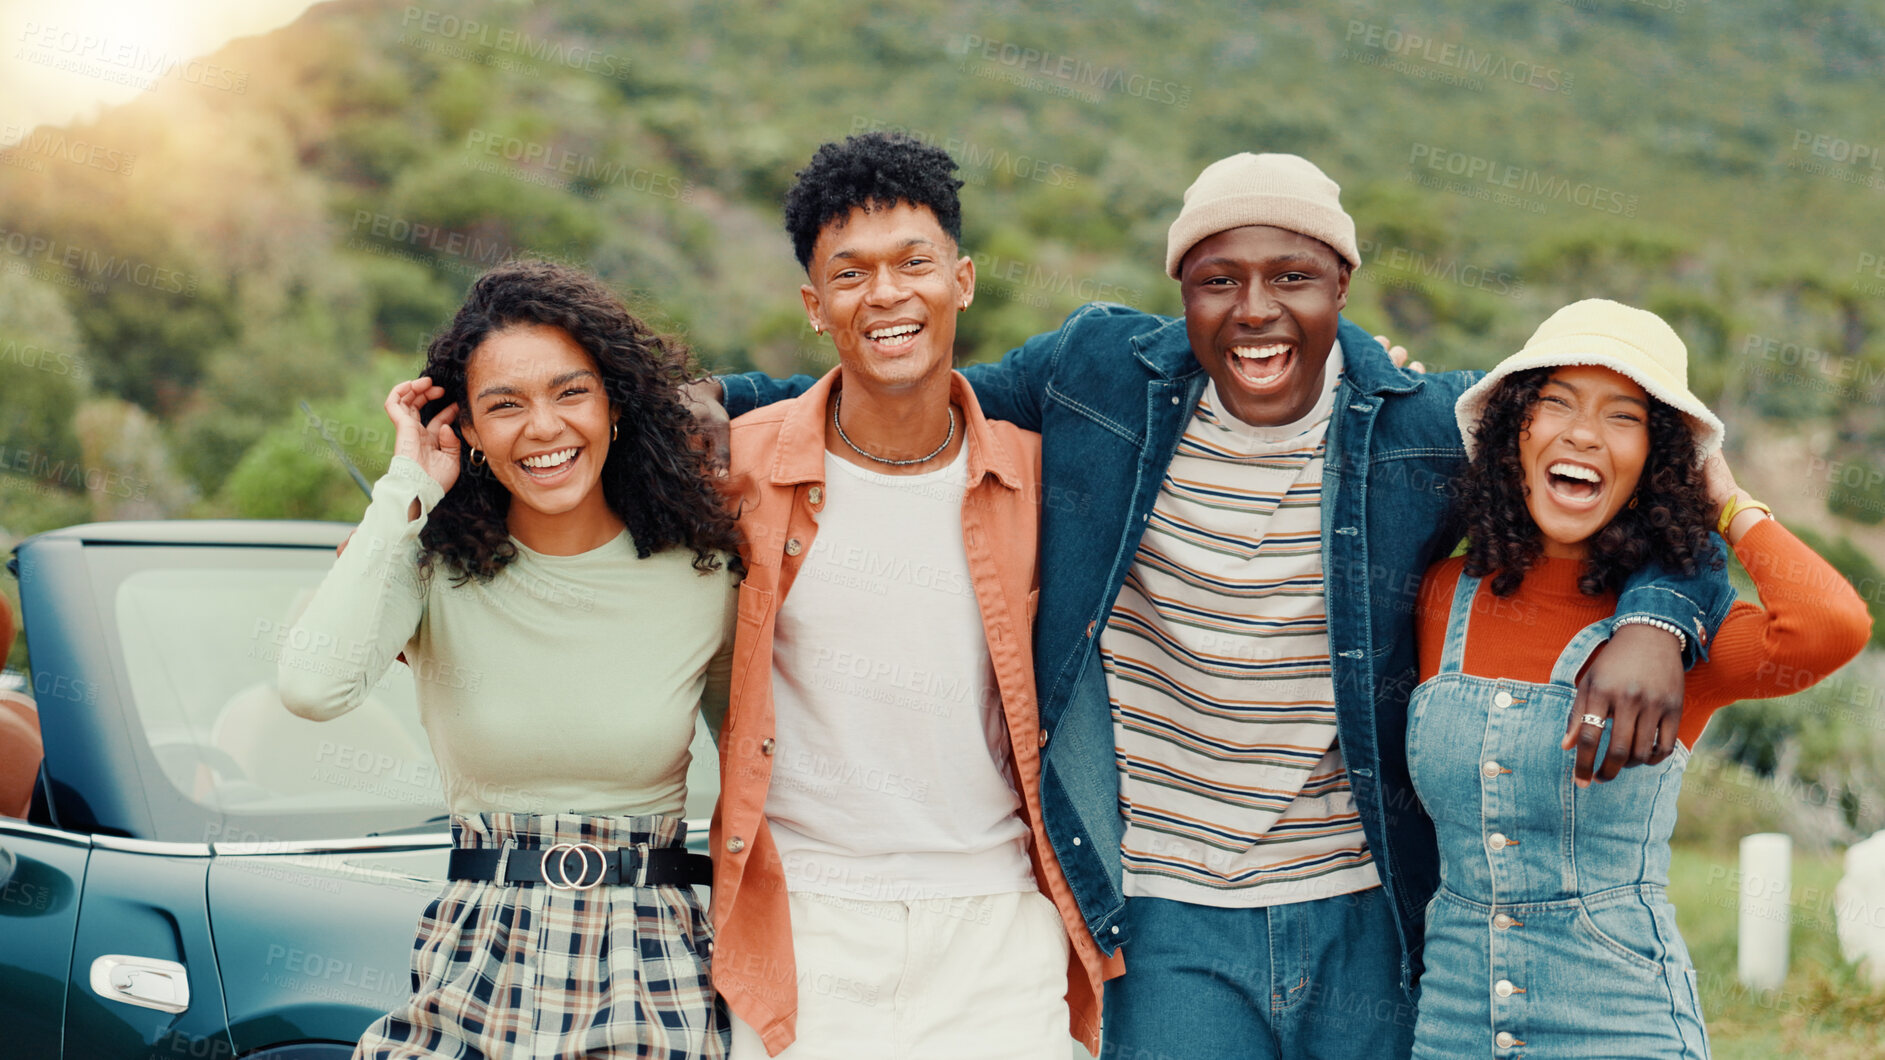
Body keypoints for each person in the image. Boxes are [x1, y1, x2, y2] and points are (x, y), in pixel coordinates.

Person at [712, 151, 1737, 1058]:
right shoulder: (1101, 379)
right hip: (1162, 915)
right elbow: (905, 383)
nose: (1255, 310)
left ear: (1342, 287)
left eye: (1292, 277)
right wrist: (700, 403)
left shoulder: (1424, 429)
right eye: (1219, 281)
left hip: (1356, 907)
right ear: (1181, 295)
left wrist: (1659, 617)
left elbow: (1625, 489)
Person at [707, 133, 1109, 1059]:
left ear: (960, 280)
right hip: (805, 922)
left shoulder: (1040, 482)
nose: (886, 295)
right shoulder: (740, 472)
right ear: (815, 306)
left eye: (912, 264)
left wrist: (1366, 371)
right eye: (850, 275)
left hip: (997, 924)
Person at [278, 259, 742, 1059]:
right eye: (505, 406)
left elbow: (763, 772)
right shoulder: (431, 568)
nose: (543, 428)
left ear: (614, 405)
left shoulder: (703, 574)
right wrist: (407, 485)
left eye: (571, 392)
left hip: (650, 964)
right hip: (475, 956)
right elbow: (311, 686)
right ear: (472, 432)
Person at [1407, 299, 1871, 1058]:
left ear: (1656, 460)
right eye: (1554, 401)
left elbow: (1829, 626)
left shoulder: (1683, 639)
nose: (1583, 432)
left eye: (1623, 417)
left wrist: (1723, 499)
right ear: (1511, 433)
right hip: (1450, 1021)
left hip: (1618, 1020)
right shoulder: (1434, 594)